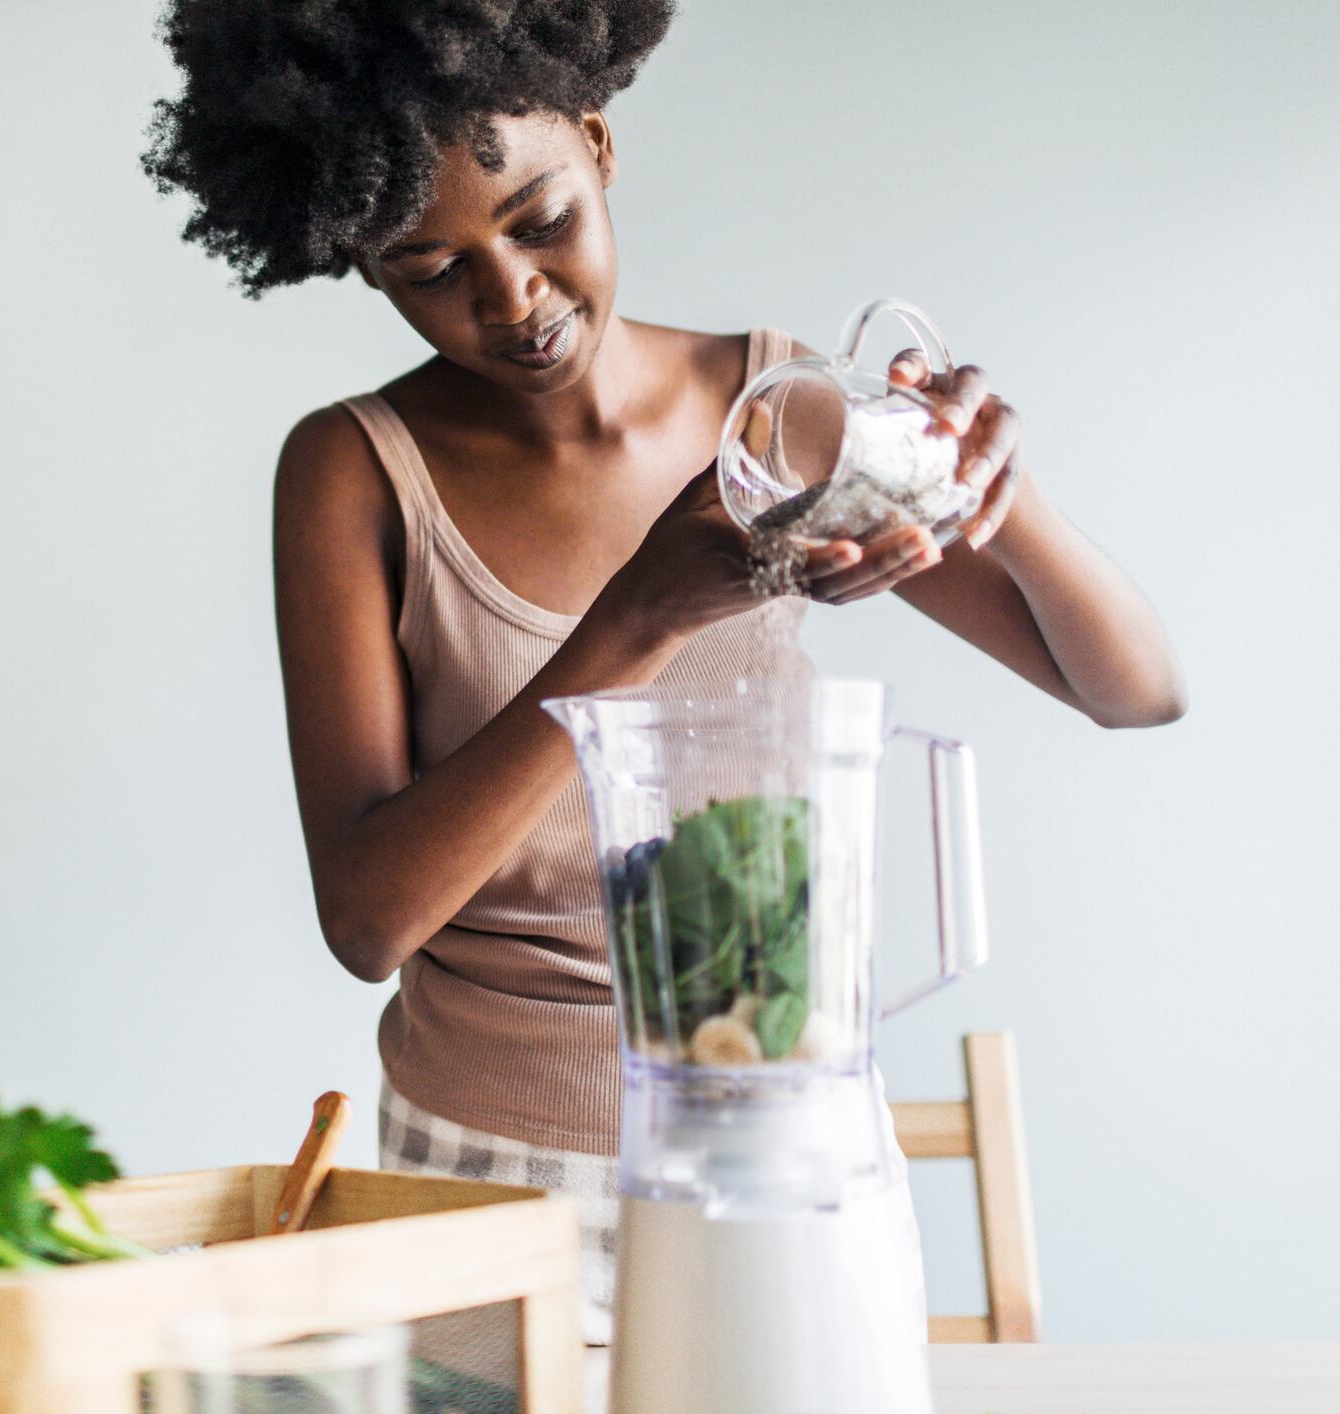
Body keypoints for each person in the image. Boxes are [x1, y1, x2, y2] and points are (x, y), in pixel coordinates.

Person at [142, 0, 1185, 1340]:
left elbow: (1134, 686)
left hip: (783, 1138)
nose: (510, 295)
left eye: (536, 217)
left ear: (596, 140)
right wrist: (637, 616)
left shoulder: (775, 414)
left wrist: (993, 482)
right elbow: (369, 919)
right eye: (426, 265)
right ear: (358, 264)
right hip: (481, 1174)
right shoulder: (351, 473)